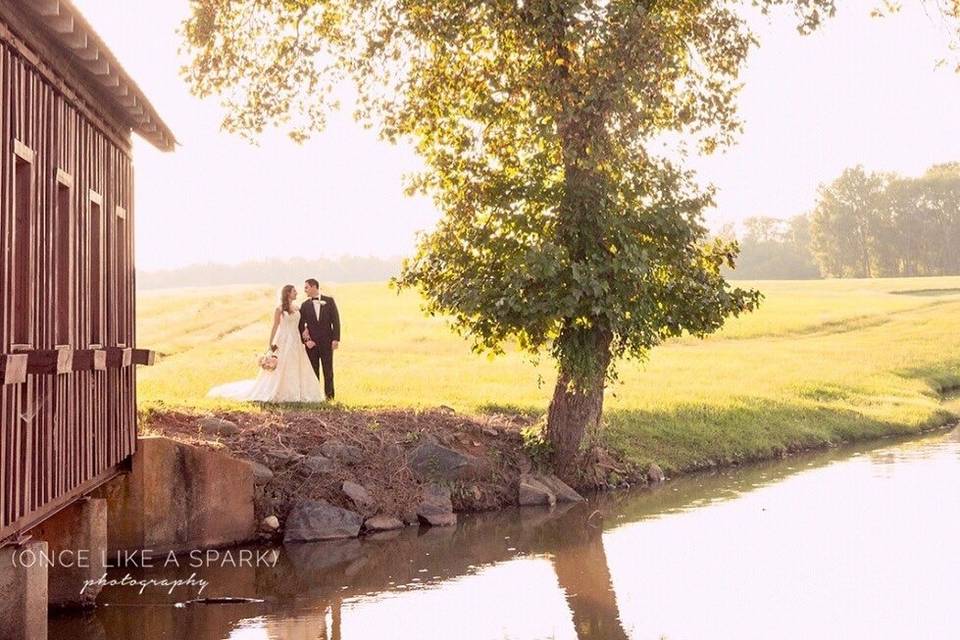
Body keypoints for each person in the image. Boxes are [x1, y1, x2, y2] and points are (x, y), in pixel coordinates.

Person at [208, 284, 324, 403]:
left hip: (296, 339)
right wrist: (271, 343)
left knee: (296, 364)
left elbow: (301, 325)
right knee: (283, 364)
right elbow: (275, 326)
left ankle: (298, 391)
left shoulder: (297, 308)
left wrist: (306, 333)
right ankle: (280, 390)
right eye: (294, 291)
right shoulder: (279, 309)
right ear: (288, 293)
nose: (297, 293)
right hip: (283, 339)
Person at [298, 278, 340, 400]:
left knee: (328, 370)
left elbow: (336, 321)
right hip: (312, 344)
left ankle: (329, 397)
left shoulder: (329, 301)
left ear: (314, 287)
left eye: (306, 287)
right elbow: (300, 325)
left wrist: (335, 339)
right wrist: (306, 341)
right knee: (313, 371)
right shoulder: (304, 305)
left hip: (327, 342)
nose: (305, 290)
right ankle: (314, 397)